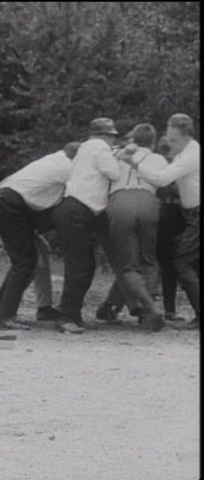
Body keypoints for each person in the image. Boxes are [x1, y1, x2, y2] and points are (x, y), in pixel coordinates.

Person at [0, 142, 82, 329]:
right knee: (25, 261)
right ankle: (4, 315)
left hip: (7, 204)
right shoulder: (67, 167)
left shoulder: (55, 159)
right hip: (4, 205)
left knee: (35, 257)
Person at [122, 113, 200, 330]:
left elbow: (163, 178)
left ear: (187, 137)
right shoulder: (185, 152)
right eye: (168, 137)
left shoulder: (191, 155)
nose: (169, 142)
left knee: (183, 262)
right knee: (188, 263)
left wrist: (134, 165)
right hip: (190, 213)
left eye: (174, 139)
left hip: (197, 212)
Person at [52, 118, 122, 333]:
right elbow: (114, 173)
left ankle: (73, 314)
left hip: (74, 209)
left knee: (85, 265)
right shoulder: (100, 147)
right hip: (78, 210)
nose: (113, 140)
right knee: (79, 266)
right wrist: (118, 157)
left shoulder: (85, 148)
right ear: (105, 135)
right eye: (112, 136)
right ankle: (66, 316)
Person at [101, 123, 168, 331]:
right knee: (148, 260)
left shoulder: (118, 155)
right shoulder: (159, 159)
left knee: (127, 265)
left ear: (133, 139)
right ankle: (119, 308)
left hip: (121, 201)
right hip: (148, 201)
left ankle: (150, 309)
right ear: (153, 142)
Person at [155, 136, 187, 322]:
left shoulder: (156, 166)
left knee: (164, 266)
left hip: (162, 218)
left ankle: (164, 309)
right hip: (172, 218)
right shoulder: (175, 168)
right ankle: (169, 310)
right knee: (170, 267)